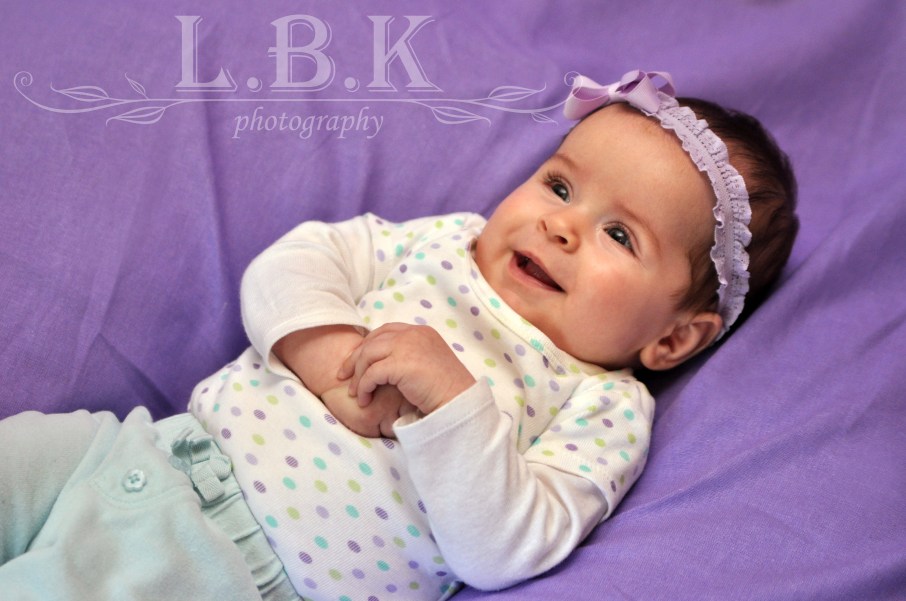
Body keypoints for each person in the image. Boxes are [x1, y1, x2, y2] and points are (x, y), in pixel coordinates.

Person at [0, 70, 797, 601]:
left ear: (674, 341)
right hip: (145, 448)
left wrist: (454, 406)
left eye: (620, 235)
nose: (561, 225)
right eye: (560, 184)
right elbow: (294, 263)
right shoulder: (446, 241)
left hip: (234, 572)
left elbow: (506, 548)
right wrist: (326, 355)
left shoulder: (604, 406)